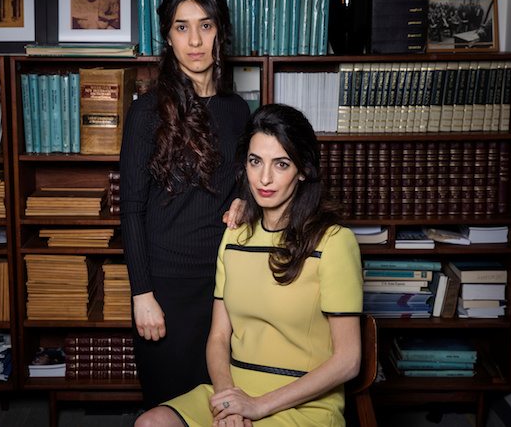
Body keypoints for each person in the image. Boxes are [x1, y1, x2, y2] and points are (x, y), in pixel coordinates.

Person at [135, 104, 364, 427]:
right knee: (151, 423)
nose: (265, 178)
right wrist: (229, 399)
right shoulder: (234, 237)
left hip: (303, 401)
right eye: (255, 161)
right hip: (236, 389)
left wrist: (258, 407)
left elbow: (349, 361)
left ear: (302, 170)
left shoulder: (334, 242)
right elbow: (218, 337)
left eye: (281, 164)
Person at [120, 0, 251, 408]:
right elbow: (132, 209)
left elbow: (246, 185)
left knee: (224, 404)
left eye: (206, 25)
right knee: (169, 407)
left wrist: (243, 201)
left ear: (221, 32)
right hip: (166, 289)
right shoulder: (146, 111)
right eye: (181, 27)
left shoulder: (238, 110)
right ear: (168, 36)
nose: (195, 41)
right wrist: (142, 294)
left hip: (225, 284)